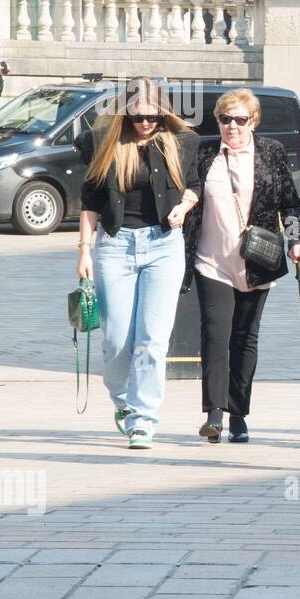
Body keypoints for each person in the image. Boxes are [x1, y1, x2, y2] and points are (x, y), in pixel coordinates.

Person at [74, 77, 201, 450]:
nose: (147, 123)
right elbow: (90, 200)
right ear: (125, 114)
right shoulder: (107, 144)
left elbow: (195, 184)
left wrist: (184, 206)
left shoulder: (181, 142)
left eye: (155, 117)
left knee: (153, 340)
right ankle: (124, 403)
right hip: (116, 244)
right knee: (116, 339)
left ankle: (143, 420)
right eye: (139, 117)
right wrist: (84, 249)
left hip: (164, 244)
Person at [183, 89, 300, 444]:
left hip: (257, 261)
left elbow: (291, 204)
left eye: (240, 119)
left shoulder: (269, 153)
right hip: (213, 261)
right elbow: (188, 194)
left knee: (244, 338)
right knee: (215, 335)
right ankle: (214, 414)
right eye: (225, 119)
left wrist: (297, 239)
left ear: (253, 121)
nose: (232, 126)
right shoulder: (205, 153)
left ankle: (239, 413)